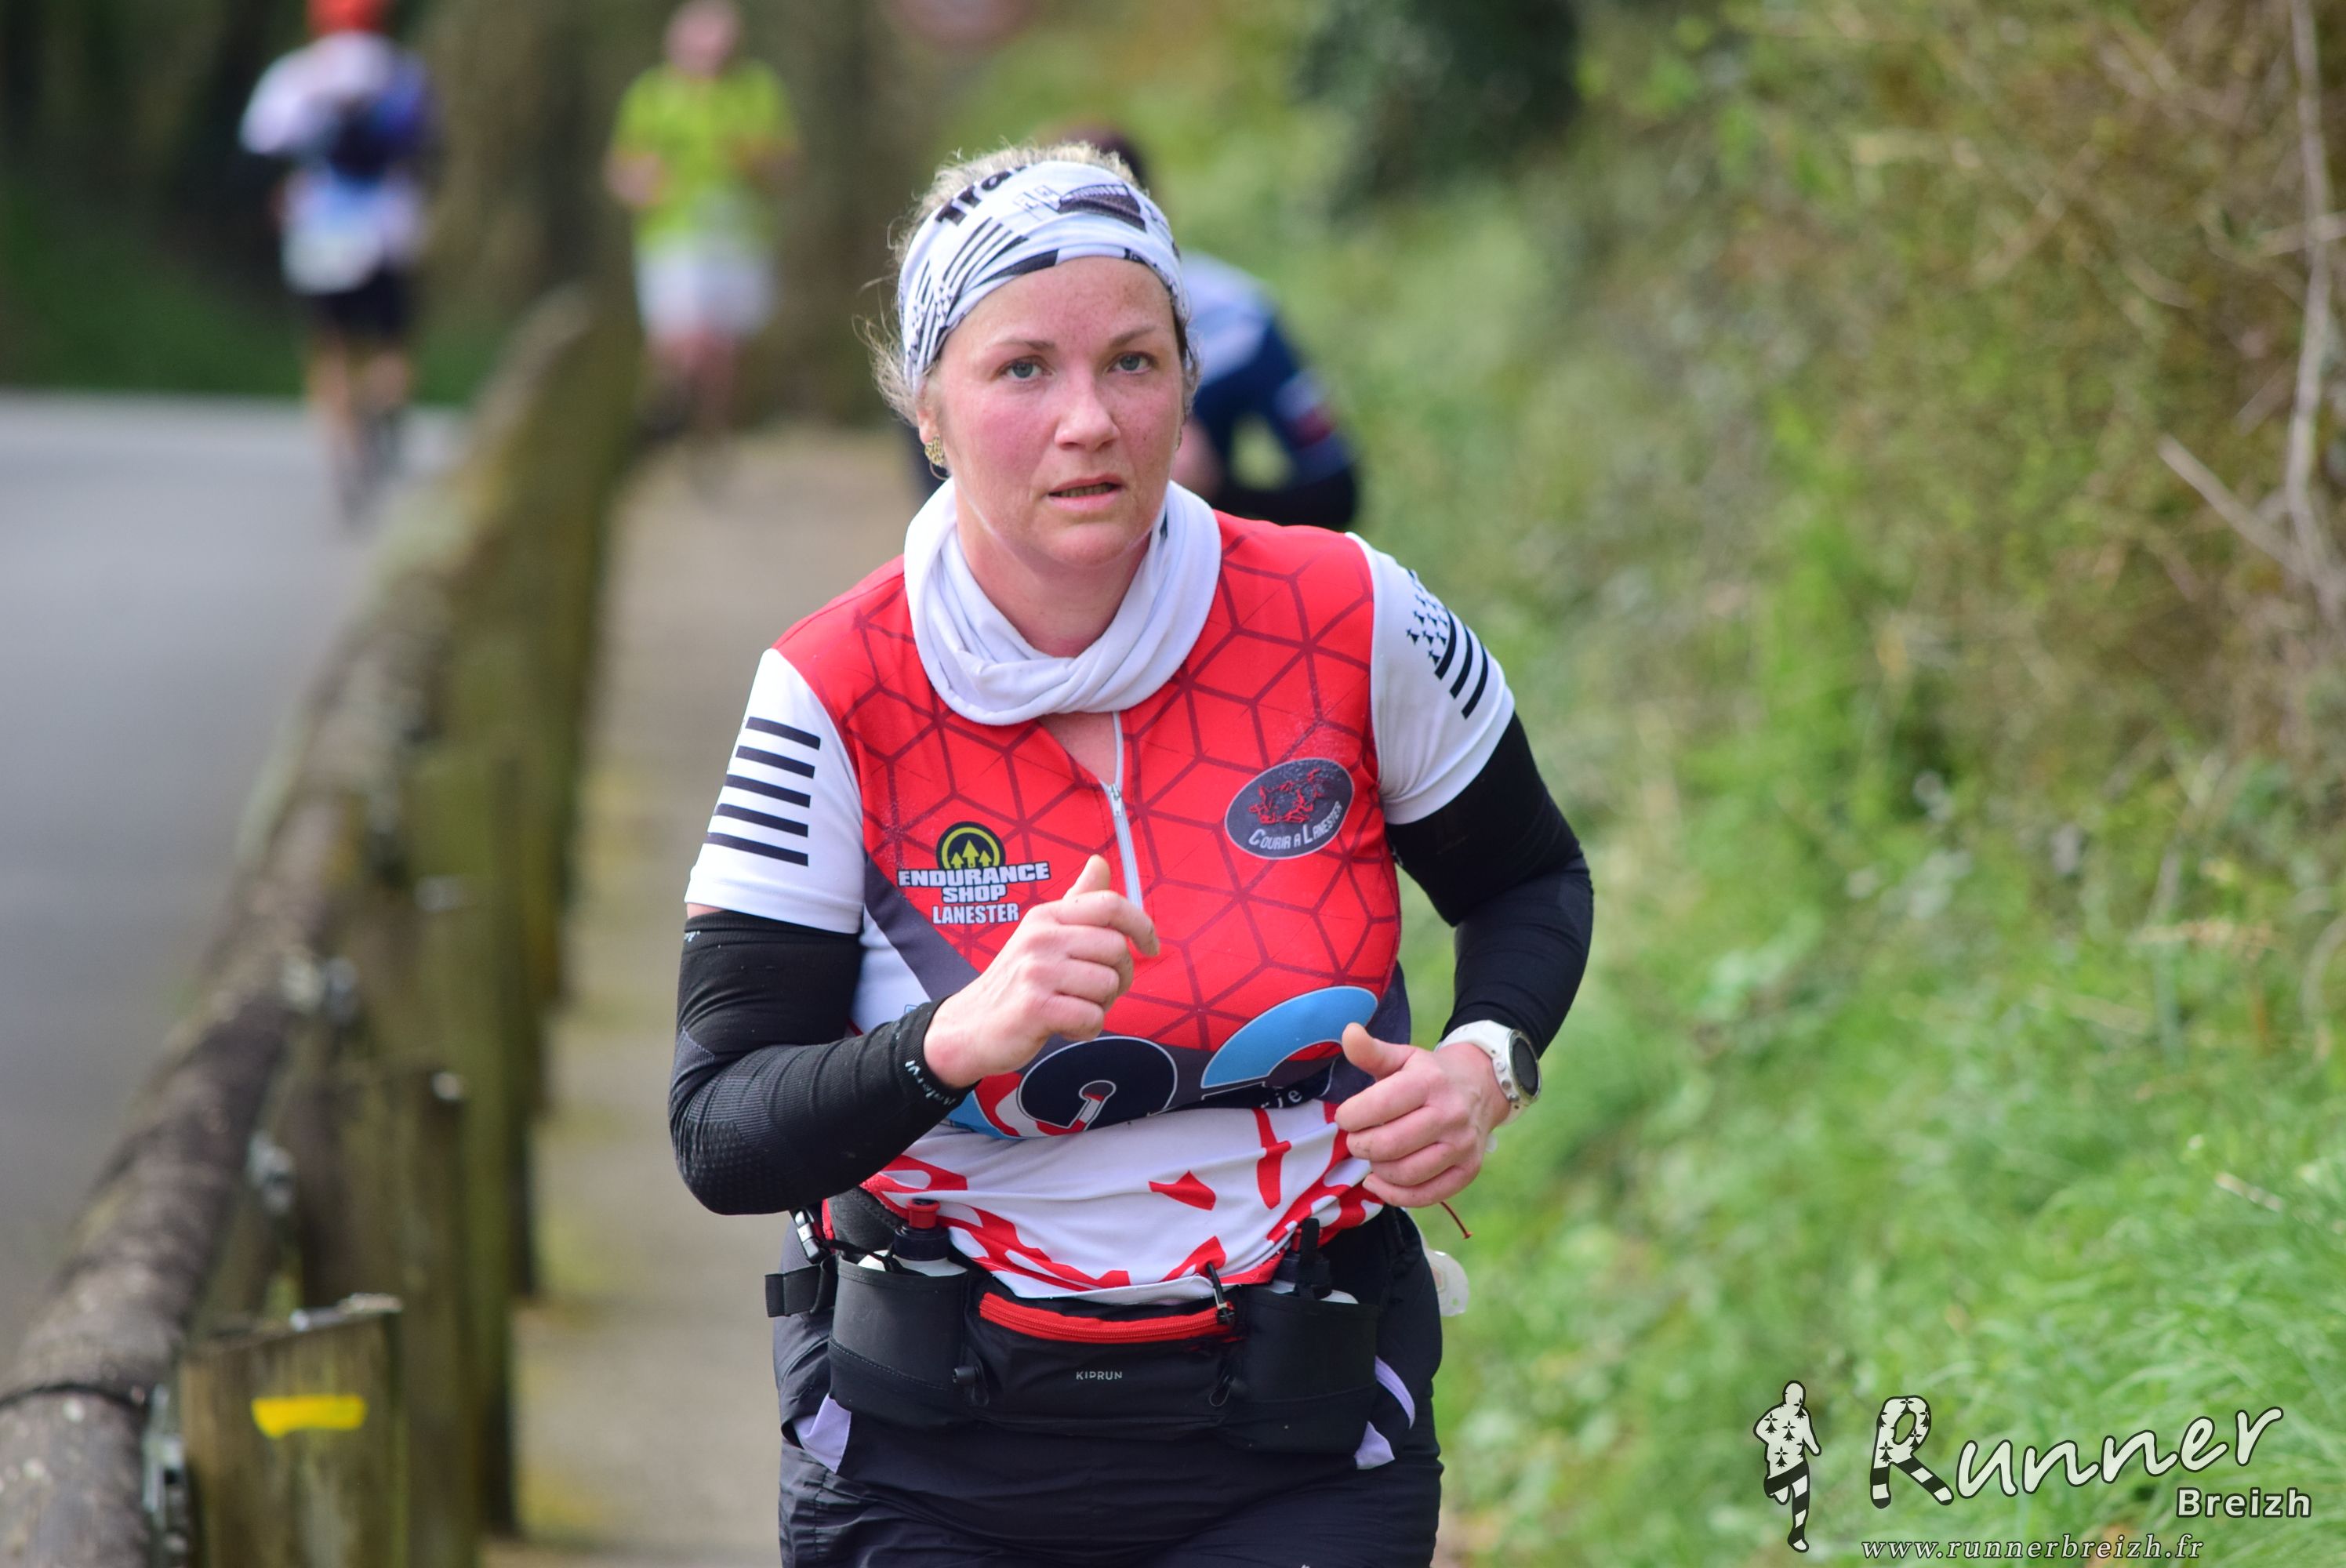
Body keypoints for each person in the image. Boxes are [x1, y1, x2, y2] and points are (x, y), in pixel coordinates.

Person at [670, 143, 1592, 1566]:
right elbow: (722, 1128)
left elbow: (1528, 879)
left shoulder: (1351, 615)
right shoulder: (831, 691)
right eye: (1022, 369)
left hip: (1302, 1437)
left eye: (1134, 363)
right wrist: (948, 1042)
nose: (1089, 421)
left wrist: (1487, 1059)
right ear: (928, 409)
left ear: (1186, 380)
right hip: (932, 1459)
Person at [240, 0, 434, 518]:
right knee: (393, 342)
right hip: (387, 229)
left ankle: (342, 449)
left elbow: (260, 143)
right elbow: (427, 145)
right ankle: (378, 405)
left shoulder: (299, 74)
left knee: (330, 345)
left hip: (319, 231)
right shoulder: (402, 73)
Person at [606, 0, 797, 442]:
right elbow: (621, 169)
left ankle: (709, 435)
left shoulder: (756, 90)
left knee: (725, 349)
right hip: (673, 236)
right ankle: (661, 417)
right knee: (683, 339)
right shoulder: (652, 94)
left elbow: (787, 165)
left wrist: (755, 162)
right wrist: (642, 182)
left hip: (740, 239)